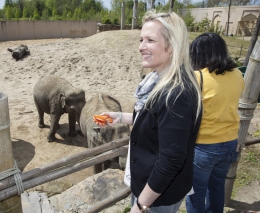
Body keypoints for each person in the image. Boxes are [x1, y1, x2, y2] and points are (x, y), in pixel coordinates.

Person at [95, 11, 202, 213]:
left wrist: (141, 206)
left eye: (150, 40)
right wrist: (120, 117)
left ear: (171, 46)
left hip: (158, 196)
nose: (141, 47)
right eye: (141, 39)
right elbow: (156, 122)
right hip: (150, 187)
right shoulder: (159, 81)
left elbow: (171, 160)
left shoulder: (176, 94)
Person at [185, 32, 244, 213]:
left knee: (196, 194)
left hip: (204, 146)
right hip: (230, 143)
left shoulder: (197, 77)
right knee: (216, 188)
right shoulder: (237, 74)